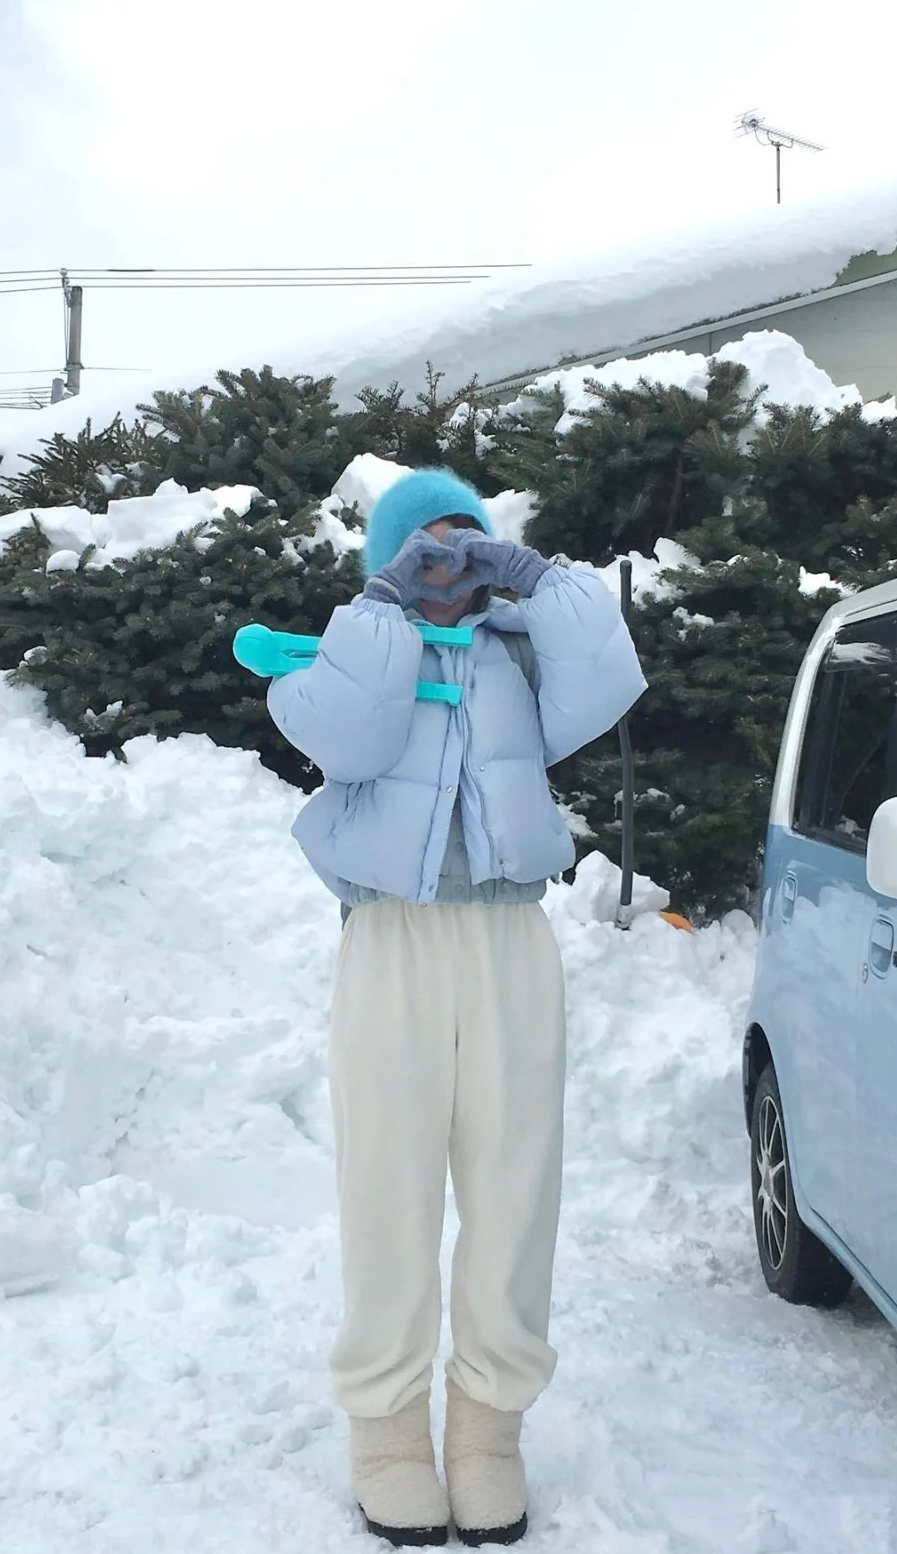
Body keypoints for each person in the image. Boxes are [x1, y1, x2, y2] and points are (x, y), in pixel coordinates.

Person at [267, 469, 645, 1548]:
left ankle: (487, 1432)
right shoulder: (348, 652)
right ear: (386, 559)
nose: (449, 565)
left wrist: (524, 576)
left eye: (466, 543)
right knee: (387, 1186)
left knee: (514, 1184)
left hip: (508, 940)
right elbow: (344, 741)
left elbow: (609, 675)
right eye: (426, 546)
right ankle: (385, 1434)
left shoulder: (524, 657)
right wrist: (384, 607)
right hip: (390, 939)